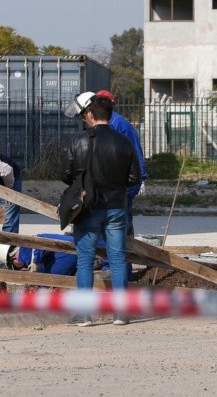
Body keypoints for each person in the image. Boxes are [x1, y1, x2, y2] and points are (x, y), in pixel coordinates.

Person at [62, 93, 141, 326]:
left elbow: (65, 174)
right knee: (118, 259)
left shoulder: (78, 141)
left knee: (85, 260)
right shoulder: (124, 141)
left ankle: (84, 315)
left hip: (88, 208)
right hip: (116, 206)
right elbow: (134, 177)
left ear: (89, 114)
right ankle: (121, 313)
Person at [95, 90, 148, 237]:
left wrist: (141, 177)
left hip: (120, 182)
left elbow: (134, 151)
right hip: (114, 181)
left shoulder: (116, 124)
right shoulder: (113, 123)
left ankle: (124, 245)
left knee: (120, 219)